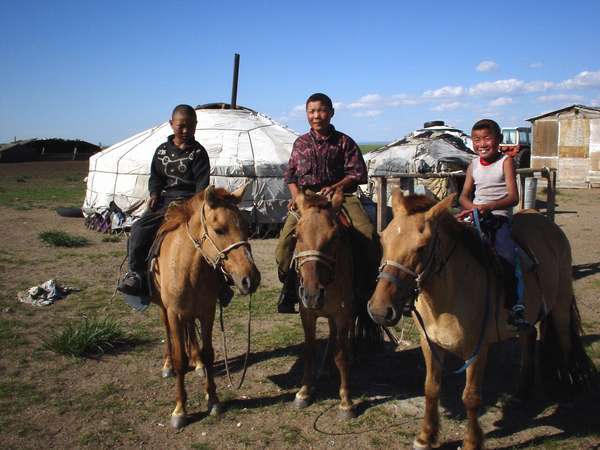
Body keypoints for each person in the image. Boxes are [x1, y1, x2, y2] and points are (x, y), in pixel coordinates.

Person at [275, 92, 381, 313]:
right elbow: (291, 176)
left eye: (321, 110)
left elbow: (358, 173)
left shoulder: (344, 142)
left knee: (368, 234)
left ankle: (370, 285)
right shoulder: (300, 143)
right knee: (284, 245)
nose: (317, 115)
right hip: (307, 199)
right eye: (312, 111)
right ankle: (290, 287)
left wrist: (338, 186)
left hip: (341, 196)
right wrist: (297, 197)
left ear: (331, 113)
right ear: (306, 114)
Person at [117, 104, 233, 305]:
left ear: (196, 126)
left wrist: (192, 205)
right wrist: (154, 192)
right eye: (182, 126)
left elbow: (202, 187)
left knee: (212, 237)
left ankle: (221, 283)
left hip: (191, 204)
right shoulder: (161, 151)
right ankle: (136, 275)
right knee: (138, 229)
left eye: (191, 126)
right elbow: (155, 177)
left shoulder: (198, 153)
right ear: (172, 124)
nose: (186, 131)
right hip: (165, 203)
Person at [458, 119, 532, 331]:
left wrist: (489, 206)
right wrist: (472, 208)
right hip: (475, 215)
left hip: (498, 216)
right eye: (477, 140)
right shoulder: (472, 164)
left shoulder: (506, 162)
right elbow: (464, 195)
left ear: (498, 140)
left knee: (507, 255)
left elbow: (513, 197)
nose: (482, 144)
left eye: (487, 138)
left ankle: (515, 305)